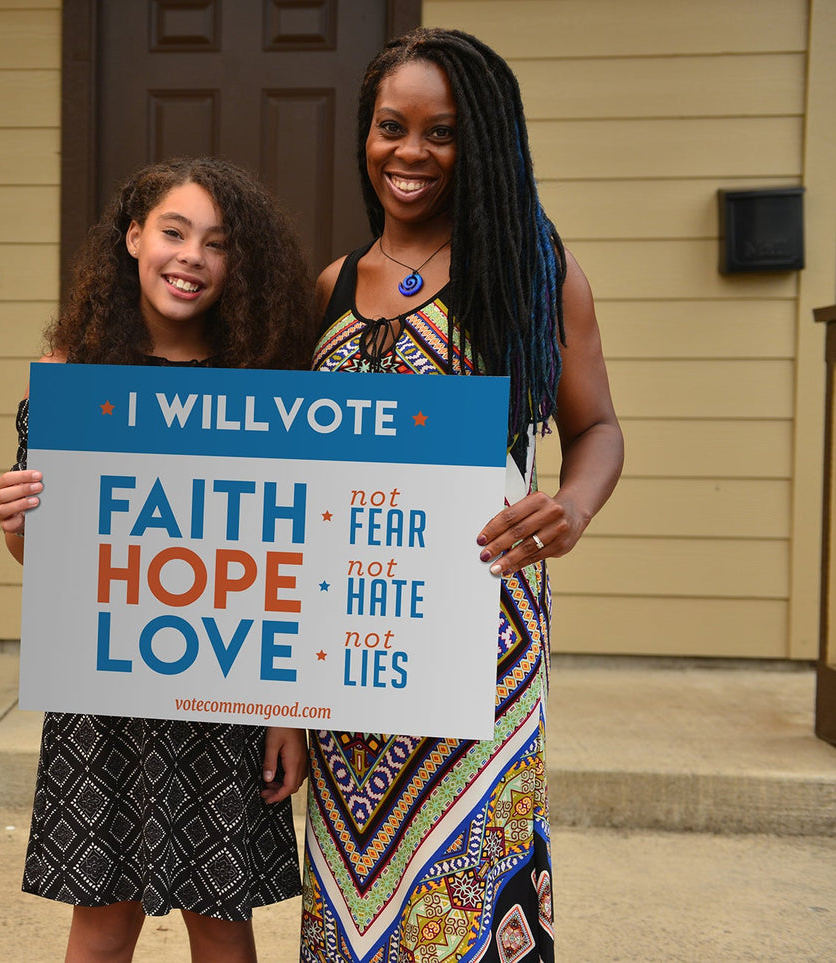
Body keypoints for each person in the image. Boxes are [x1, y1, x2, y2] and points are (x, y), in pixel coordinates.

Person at [301, 28, 623, 963]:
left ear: (479, 142)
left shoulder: (531, 274)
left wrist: (572, 506)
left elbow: (597, 428)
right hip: (348, 639)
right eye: (389, 126)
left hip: (483, 635)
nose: (408, 152)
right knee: (353, 889)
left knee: (468, 883)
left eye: (439, 133)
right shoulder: (327, 289)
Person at [0, 157, 316, 963]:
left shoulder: (267, 392)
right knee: (101, 920)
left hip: (229, 687)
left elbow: (293, 560)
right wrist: (15, 522)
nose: (191, 256)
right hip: (105, 691)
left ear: (237, 264)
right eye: (173, 231)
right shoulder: (74, 384)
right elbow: (57, 561)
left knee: (221, 923)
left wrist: (287, 711)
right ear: (133, 237)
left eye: (216, 242)